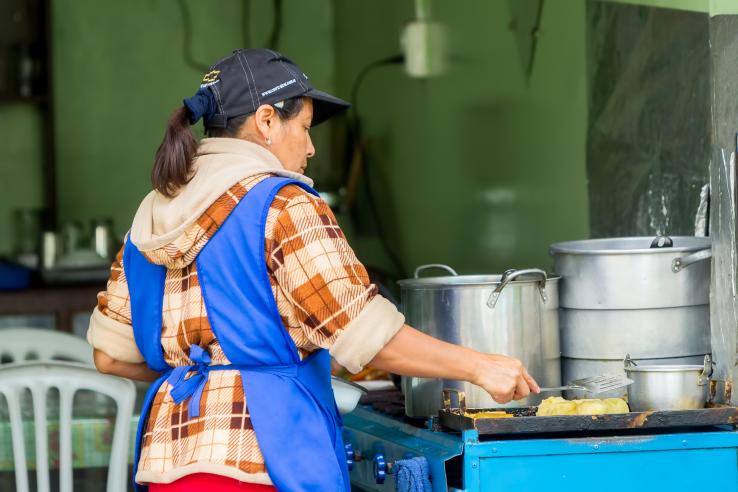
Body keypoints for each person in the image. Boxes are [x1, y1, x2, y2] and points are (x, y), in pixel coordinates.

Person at [87, 48, 539, 492]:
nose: (310, 146)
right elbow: (365, 335)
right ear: (266, 121)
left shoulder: (152, 218)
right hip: (263, 463)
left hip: (170, 463)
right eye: (303, 127)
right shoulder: (284, 205)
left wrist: (211, 373)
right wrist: (481, 367)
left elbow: (110, 356)